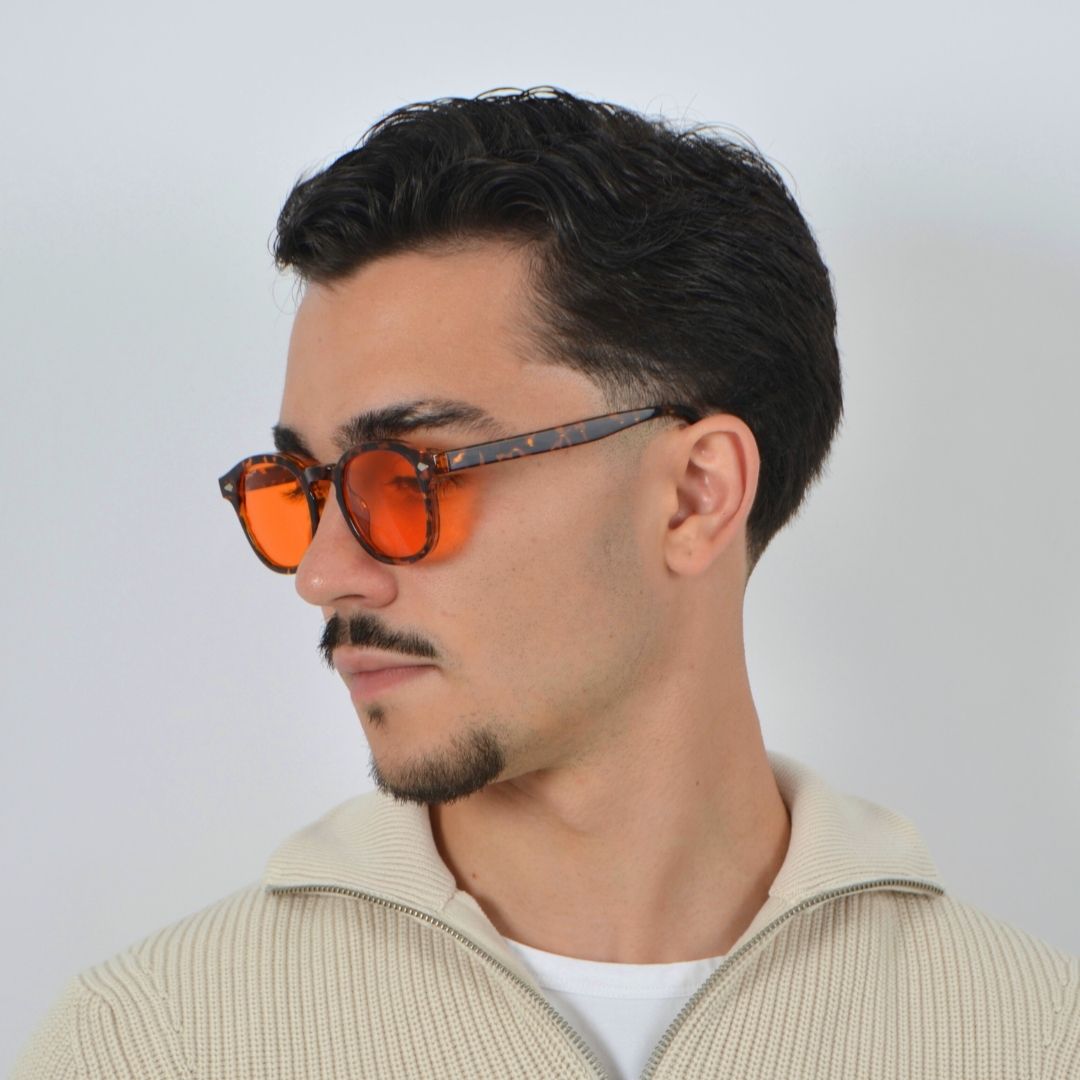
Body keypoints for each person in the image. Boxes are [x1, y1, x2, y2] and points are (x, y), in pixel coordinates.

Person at [13, 86, 1078, 1080]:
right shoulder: (153, 1043)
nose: (325, 572)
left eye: (410, 474)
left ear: (695, 495)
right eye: (305, 488)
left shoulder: (1026, 1039)